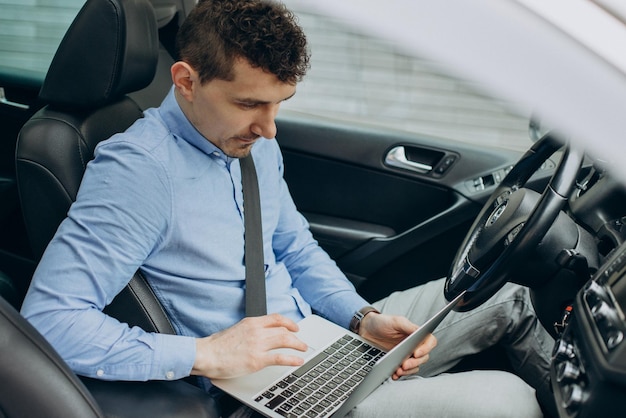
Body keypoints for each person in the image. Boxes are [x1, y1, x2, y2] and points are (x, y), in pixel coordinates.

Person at [21, 0, 554, 416]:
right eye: (250, 104)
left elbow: (294, 246)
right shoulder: (139, 171)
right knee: (509, 402)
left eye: (279, 104)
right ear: (186, 81)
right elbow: (49, 323)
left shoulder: (253, 142)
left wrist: (359, 317)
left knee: (506, 296)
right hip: (270, 394)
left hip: (323, 342)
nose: (269, 127)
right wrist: (206, 354)